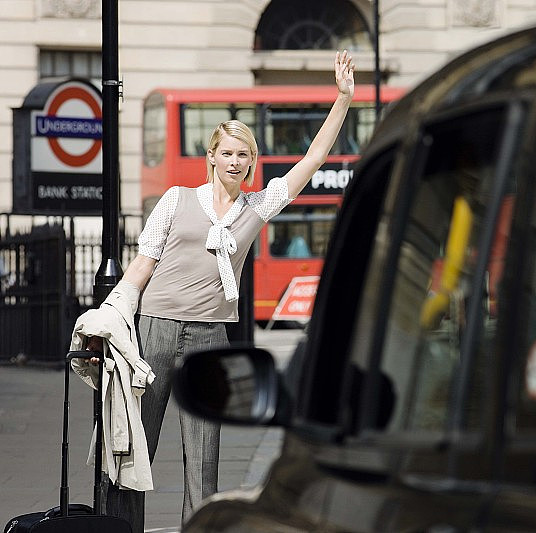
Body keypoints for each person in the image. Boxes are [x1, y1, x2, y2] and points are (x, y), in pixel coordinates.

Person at [84, 50, 355, 533]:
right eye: (226, 152)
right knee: (133, 445)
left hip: (211, 336)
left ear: (252, 161)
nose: (234, 160)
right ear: (211, 156)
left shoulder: (258, 206)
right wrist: (110, 313)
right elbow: (143, 264)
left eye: (243, 154)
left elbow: (313, 159)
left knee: (203, 456)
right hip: (156, 330)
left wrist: (343, 99)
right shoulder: (176, 199)